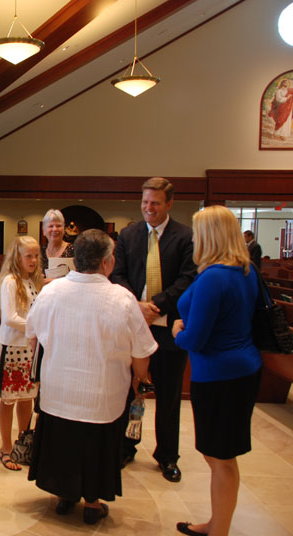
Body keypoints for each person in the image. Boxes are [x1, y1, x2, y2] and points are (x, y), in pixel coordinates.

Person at [26, 229, 157, 525]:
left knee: (63, 440)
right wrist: (140, 379)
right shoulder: (122, 298)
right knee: (96, 445)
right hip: (102, 393)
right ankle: (92, 502)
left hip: (59, 389)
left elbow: (32, 334)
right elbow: (142, 350)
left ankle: (63, 496)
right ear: (108, 262)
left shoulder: (52, 291)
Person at [172, 206, 263, 536]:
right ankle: (217, 522)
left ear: (208, 236)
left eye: (197, 232)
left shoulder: (213, 277)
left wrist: (178, 331)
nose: (193, 238)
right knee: (220, 456)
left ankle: (219, 530)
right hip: (242, 368)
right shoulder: (245, 270)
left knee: (220, 457)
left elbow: (196, 338)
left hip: (219, 375)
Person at [110, 177, 196, 483]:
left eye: (155, 203)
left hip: (168, 329)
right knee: (129, 391)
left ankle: (167, 456)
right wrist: (137, 307)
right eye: (145, 202)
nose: (149, 208)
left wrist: (155, 305)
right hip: (133, 327)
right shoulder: (129, 234)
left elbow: (188, 278)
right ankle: (125, 447)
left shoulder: (185, 236)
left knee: (169, 396)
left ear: (169, 204)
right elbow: (117, 275)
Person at [0, 236, 43, 471]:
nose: (33, 260)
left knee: (27, 398)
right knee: (9, 399)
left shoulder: (32, 281)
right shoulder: (11, 281)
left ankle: (23, 443)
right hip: (12, 347)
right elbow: (10, 318)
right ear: (17, 257)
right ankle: (5, 447)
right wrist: (37, 327)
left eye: (36, 255)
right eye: (28, 255)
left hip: (30, 348)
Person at [40, 209, 74, 278]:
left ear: (64, 229)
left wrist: (54, 282)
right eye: (51, 226)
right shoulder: (39, 252)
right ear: (44, 230)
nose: (55, 229)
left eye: (58, 226)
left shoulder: (74, 250)